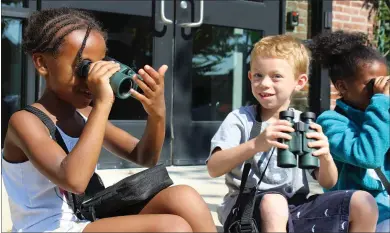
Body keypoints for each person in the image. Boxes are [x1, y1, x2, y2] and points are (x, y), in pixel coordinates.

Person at [2, 7, 216, 232]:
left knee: (184, 198)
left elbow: (144, 156)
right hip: (46, 228)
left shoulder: (84, 116)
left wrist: (157, 113)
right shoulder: (25, 122)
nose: (92, 79)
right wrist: (103, 104)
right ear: (42, 64)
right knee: (171, 228)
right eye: (83, 67)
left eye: (100, 66)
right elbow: (73, 180)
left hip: (85, 218)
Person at [207, 35, 379, 232]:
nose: (264, 83)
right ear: (249, 77)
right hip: (246, 211)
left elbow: (328, 181)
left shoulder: (303, 123)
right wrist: (256, 144)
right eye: (258, 75)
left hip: (295, 208)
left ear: (299, 82)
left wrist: (325, 157)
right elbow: (214, 168)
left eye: (276, 76)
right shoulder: (240, 119)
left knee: (363, 202)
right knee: (274, 202)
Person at [312, 30, 389, 232]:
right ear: (342, 87)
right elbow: (368, 156)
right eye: (370, 84)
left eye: (383, 83)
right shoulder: (330, 122)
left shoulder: (382, 116)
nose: (377, 91)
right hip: (354, 217)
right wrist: (380, 103)